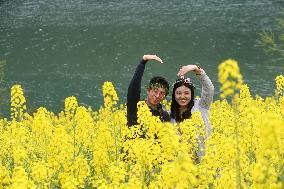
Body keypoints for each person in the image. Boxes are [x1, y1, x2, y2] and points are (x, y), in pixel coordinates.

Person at [170, 64, 214, 138]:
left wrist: (195, 68)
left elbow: (209, 88)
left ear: (191, 94)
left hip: (204, 149)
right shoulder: (170, 115)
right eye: (178, 93)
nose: (182, 97)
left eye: (186, 93)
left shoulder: (201, 106)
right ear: (174, 95)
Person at [127, 55, 170, 126]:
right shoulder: (136, 106)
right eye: (155, 91)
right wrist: (143, 62)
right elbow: (133, 88)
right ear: (148, 90)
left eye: (162, 93)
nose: (157, 95)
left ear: (164, 97)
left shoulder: (165, 116)